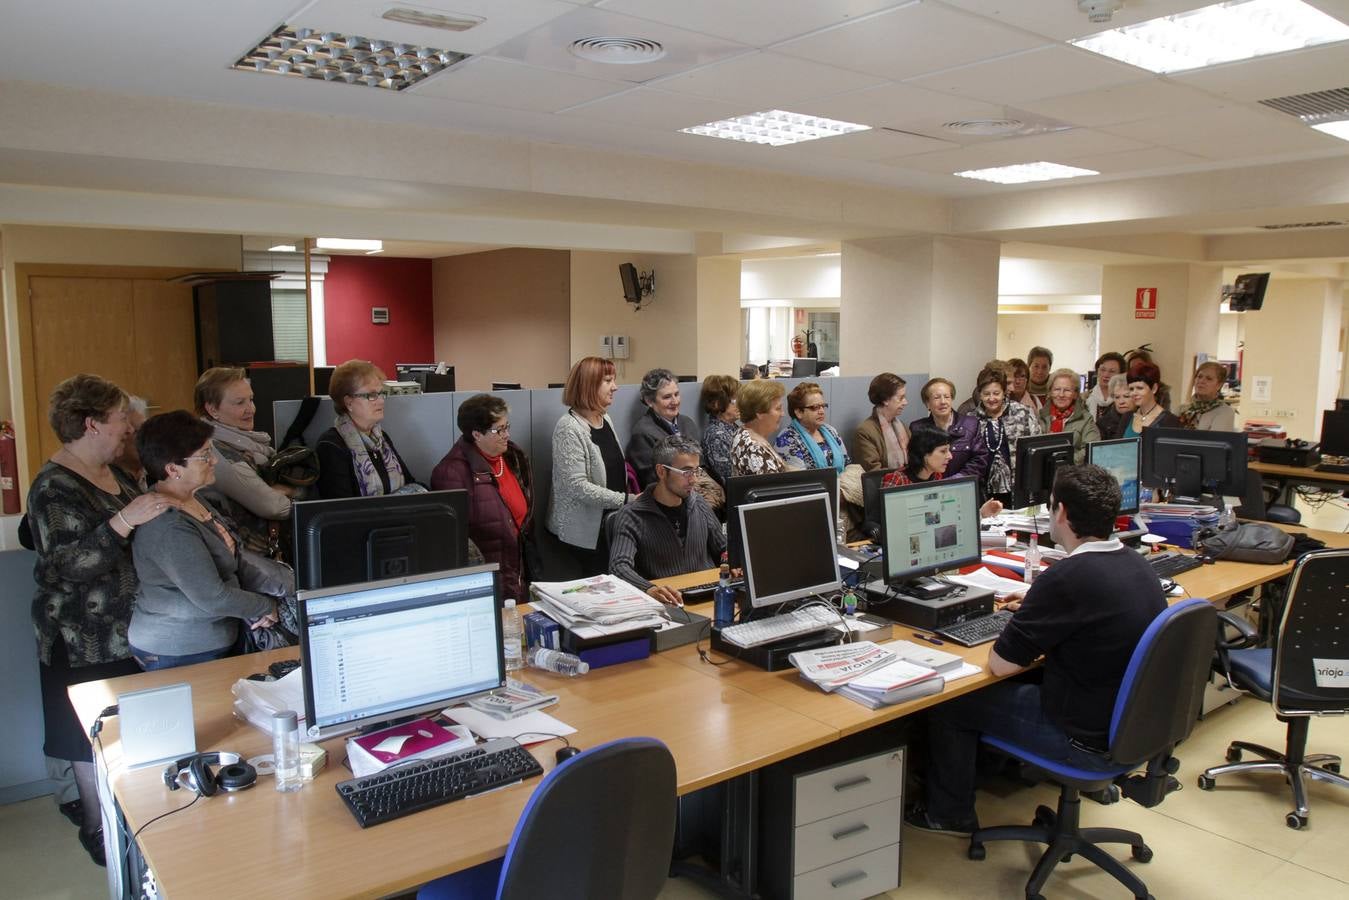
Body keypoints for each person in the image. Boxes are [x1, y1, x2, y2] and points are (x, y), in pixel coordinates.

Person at [906, 464, 1166, 835]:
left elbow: (1001, 666)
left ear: (1060, 513)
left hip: (1083, 739)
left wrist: (1026, 616)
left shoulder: (1067, 578)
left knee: (950, 703)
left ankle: (949, 814)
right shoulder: (1135, 564)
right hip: (1127, 727)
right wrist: (1038, 603)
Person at [27, 374, 174, 865]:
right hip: (81, 637)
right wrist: (123, 521)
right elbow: (63, 566)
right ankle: (98, 831)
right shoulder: (53, 486)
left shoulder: (116, 472)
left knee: (129, 743)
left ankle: (132, 830)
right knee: (88, 743)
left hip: (129, 633)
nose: (129, 428)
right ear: (91, 424)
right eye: (119, 420)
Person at [129, 411, 278, 671]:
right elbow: (213, 597)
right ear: (173, 468)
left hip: (206, 641)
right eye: (205, 456)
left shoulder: (194, 498)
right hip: (179, 651)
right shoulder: (169, 526)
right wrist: (264, 605)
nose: (214, 461)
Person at [431, 394, 533, 601]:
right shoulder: (451, 473)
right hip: (486, 577)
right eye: (499, 430)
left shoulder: (512, 456)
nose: (507, 434)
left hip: (518, 567)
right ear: (476, 434)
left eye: (507, 427)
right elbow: (455, 540)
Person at [609, 436, 726, 606]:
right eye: (686, 472)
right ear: (662, 471)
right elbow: (619, 567)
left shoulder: (699, 503)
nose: (694, 480)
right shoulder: (632, 516)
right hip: (668, 603)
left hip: (709, 596)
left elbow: (723, 548)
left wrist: (732, 563)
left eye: (696, 471)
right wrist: (649, 588)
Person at [195, 367, 293, 555]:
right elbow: (273, 506)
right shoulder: (217, 451)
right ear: (212, 409)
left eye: (251, 399)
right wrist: (295, 491)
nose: (251, 409)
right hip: (249, 558)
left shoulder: (249, 444)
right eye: (240, 403)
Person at [548, 356, 631, 577]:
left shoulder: (605, 419)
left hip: (611, 521)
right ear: (588, 385)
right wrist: (624, 500)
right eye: (608, 380)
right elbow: (578, 487)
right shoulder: (568, 428)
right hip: (585, 531)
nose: (615, 387)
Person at [315, 360, 418, 498]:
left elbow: (410, 483)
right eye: (371, 395)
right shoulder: (331, 445)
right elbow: (340, 508)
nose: (381, 400)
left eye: (381, 393)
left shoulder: (381, 438)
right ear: (348, 402)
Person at [882, 426, 1003, 518]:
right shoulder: (898, 479)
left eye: (949, 451)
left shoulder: (936, 476)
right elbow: (890, 522)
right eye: (943, 451)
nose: (950, 456)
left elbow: (946, 517)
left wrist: (981, 513)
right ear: (924, 453)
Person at [972, 366, 1040, 508]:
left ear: (1004, 392)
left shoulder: (1023, 413)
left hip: (1018, 488)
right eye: (986, 394)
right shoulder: (971, 419)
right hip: (983, 490)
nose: (991, 398)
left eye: (996, 393)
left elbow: (1037, 449)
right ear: (980, 394)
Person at [627, 368, 700, 488]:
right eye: (667, 397)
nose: (675, 401)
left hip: (696, 488)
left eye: (676, 394)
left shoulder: (688, 423)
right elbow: (652, 480)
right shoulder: (642, 433)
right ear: (649, 401)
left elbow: (701, 465)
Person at [912, 377, 989, 483]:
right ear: (927, 403)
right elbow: (916, 464)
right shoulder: (918, 428)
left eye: (947, 397)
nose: (943, 402)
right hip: (931, 488)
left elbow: (980, 460)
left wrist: (955, 480)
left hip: (964, 486)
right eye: (936, 398)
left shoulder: (971, 424)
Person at [775, 381, 849, 471]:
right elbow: (799, 478)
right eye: (815, 407)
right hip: (813, 485)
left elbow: (846, 463)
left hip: (841, 483)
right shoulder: (787, 438)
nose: (821, 411)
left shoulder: (830, 430)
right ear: (799, 412)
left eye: (823, 406)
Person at [1038, 368, 1100, 464]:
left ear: (1075, 394)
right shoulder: (1040, 417)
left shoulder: (1086, 419)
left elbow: (1091, 449)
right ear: (1050, 392)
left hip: (1073, 472)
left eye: (1067, 390)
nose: (1061, 394)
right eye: (1057, 389)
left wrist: (1063, 461)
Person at [853, 373, 910, 472]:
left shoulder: (902, 426)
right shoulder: (865, 431)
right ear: (886, 400)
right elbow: (873, 472)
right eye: (901, 398)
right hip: (887, 485)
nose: (905, 402)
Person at [730, 379, 788, 477]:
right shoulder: (754, 448)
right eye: (778, 409)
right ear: (760, 413)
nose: (783, 414)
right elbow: (772, 489)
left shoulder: (744, 432)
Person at [699, 374, 741, 486]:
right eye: (734, 400)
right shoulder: (716, 436)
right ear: (717, 403)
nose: (739, 404)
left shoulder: (733, 427)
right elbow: (731, 480)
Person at [1125, 362, 1182, 437]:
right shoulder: (1127, 417)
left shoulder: (1171, 421)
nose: (1134, 393)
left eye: (1140, 388)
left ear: (1154, 388)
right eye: (1131, 389)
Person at [1180, 361, 1237, 431]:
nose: (1201, 381)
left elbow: (1215, 440)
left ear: (1219, 385)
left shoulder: (1225, 412)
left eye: (1209, 378)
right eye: (1199, 376)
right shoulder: (1182, 409)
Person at [112, 395, 149, 489]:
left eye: (147, 430)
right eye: (138, 432)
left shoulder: (160, 473)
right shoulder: (109, 481)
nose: (147, 438)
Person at [1086, 352, 1126, 422]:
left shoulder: (1125, 399)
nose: (1106, 375)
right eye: (1102, 370)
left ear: (1121, 374)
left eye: (1112, 371)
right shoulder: (1084, 398)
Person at [1096, 374, 1135, 441]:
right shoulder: (1102, 424)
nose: (1121, 402)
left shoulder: (1145, 418)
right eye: (1117, 397)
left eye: (1126, 396)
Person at [1025, 346, 1053, 413]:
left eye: (1044, 367)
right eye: (1036, 366)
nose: (1040, 371)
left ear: (1050, 368)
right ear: (1029, 366)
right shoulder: (1021, 388)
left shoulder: (1056, 389)